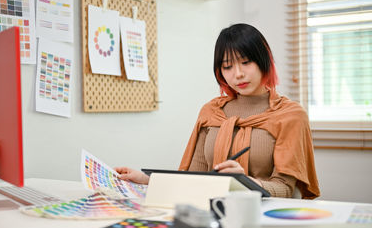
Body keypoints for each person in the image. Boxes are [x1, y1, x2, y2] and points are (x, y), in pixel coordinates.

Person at [115, 23, 320, 199]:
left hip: (264, 217)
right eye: (227, 66)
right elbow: (195, 177)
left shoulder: (290, 115)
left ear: (263, 60)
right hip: (213, 211)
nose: (237, 74)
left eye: (246, 62)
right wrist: (147, 180)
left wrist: (243, 182)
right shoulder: (212, 111)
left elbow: (284, 189)